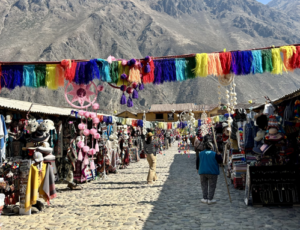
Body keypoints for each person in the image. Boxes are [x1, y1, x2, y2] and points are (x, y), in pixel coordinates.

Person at [196, 136, 223, 204]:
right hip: (212, 172)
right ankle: (210, 199)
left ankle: (205, 198)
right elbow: (220, 161)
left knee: (204, 185)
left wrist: (197, 169)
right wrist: (219, 155)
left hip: (202, 172)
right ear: (211, 147)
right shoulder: (214, 154)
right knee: (212, 185)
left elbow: (197, 161)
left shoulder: (201, 154)